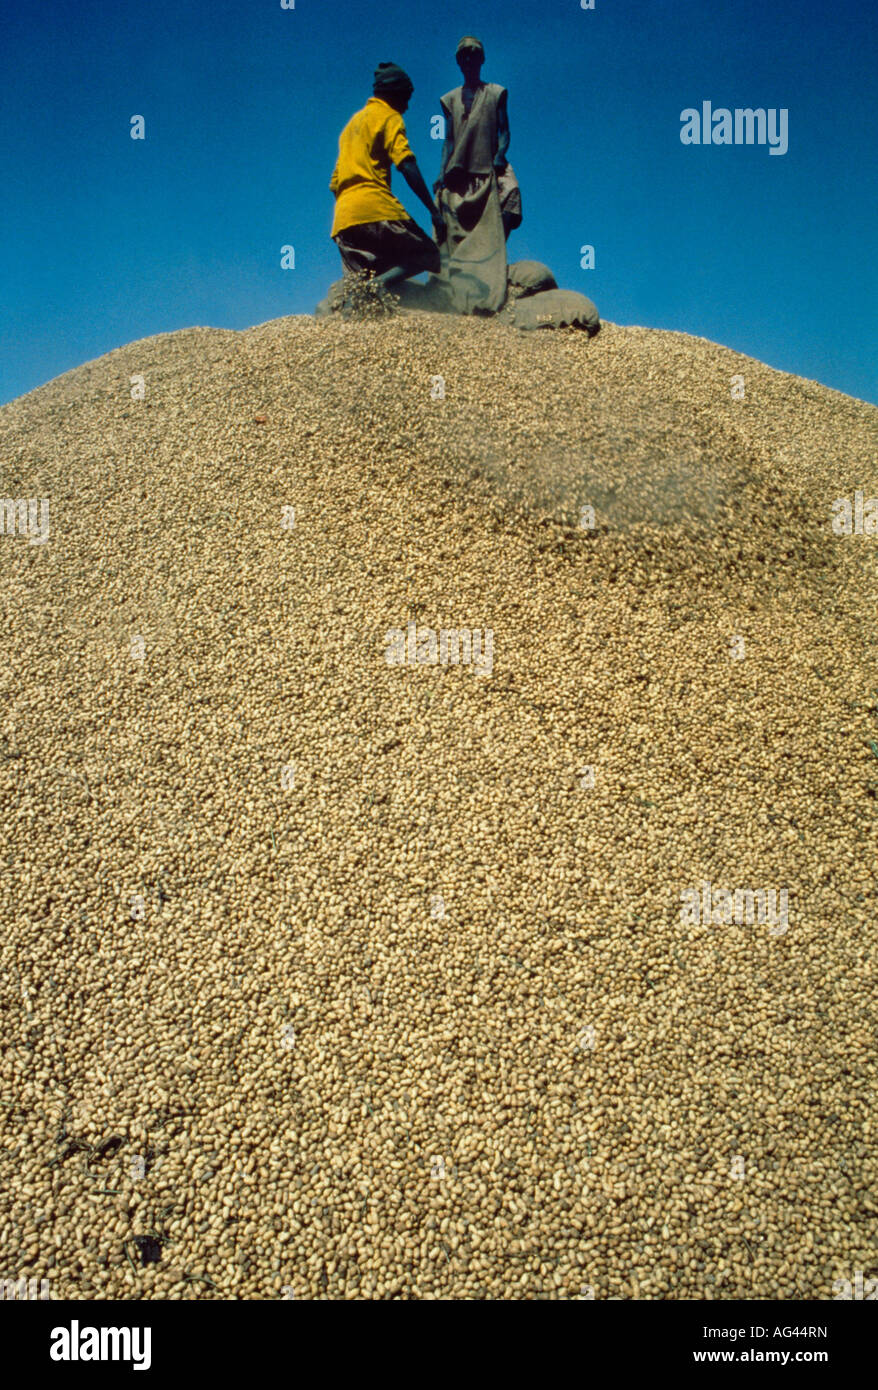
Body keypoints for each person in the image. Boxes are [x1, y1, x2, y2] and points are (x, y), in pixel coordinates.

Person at [329, 63, 444, 305]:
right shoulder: (388, 116)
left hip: (343, 218)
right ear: (394, 93)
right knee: (429, 255)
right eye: (406, 98)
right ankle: (378, 285)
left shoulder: (351, 126)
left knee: (357, 294)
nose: (407, 106)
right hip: (375, 206)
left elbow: (334, 183)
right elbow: (406, 164)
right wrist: (433, 211)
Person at [433, 36, 522, 313]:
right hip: (461, 168)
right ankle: (460, 276)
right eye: (464, 56)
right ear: (459, 62)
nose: (470, 60)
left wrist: (499, 156)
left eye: (474, 55)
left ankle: (489, 260)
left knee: (511, 197)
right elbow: (448, 141)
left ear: (482, 59)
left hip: (490, 164)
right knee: (449, 214)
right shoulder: (450, 99)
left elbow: (504, 132)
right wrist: (441, 171)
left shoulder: (496, 92)